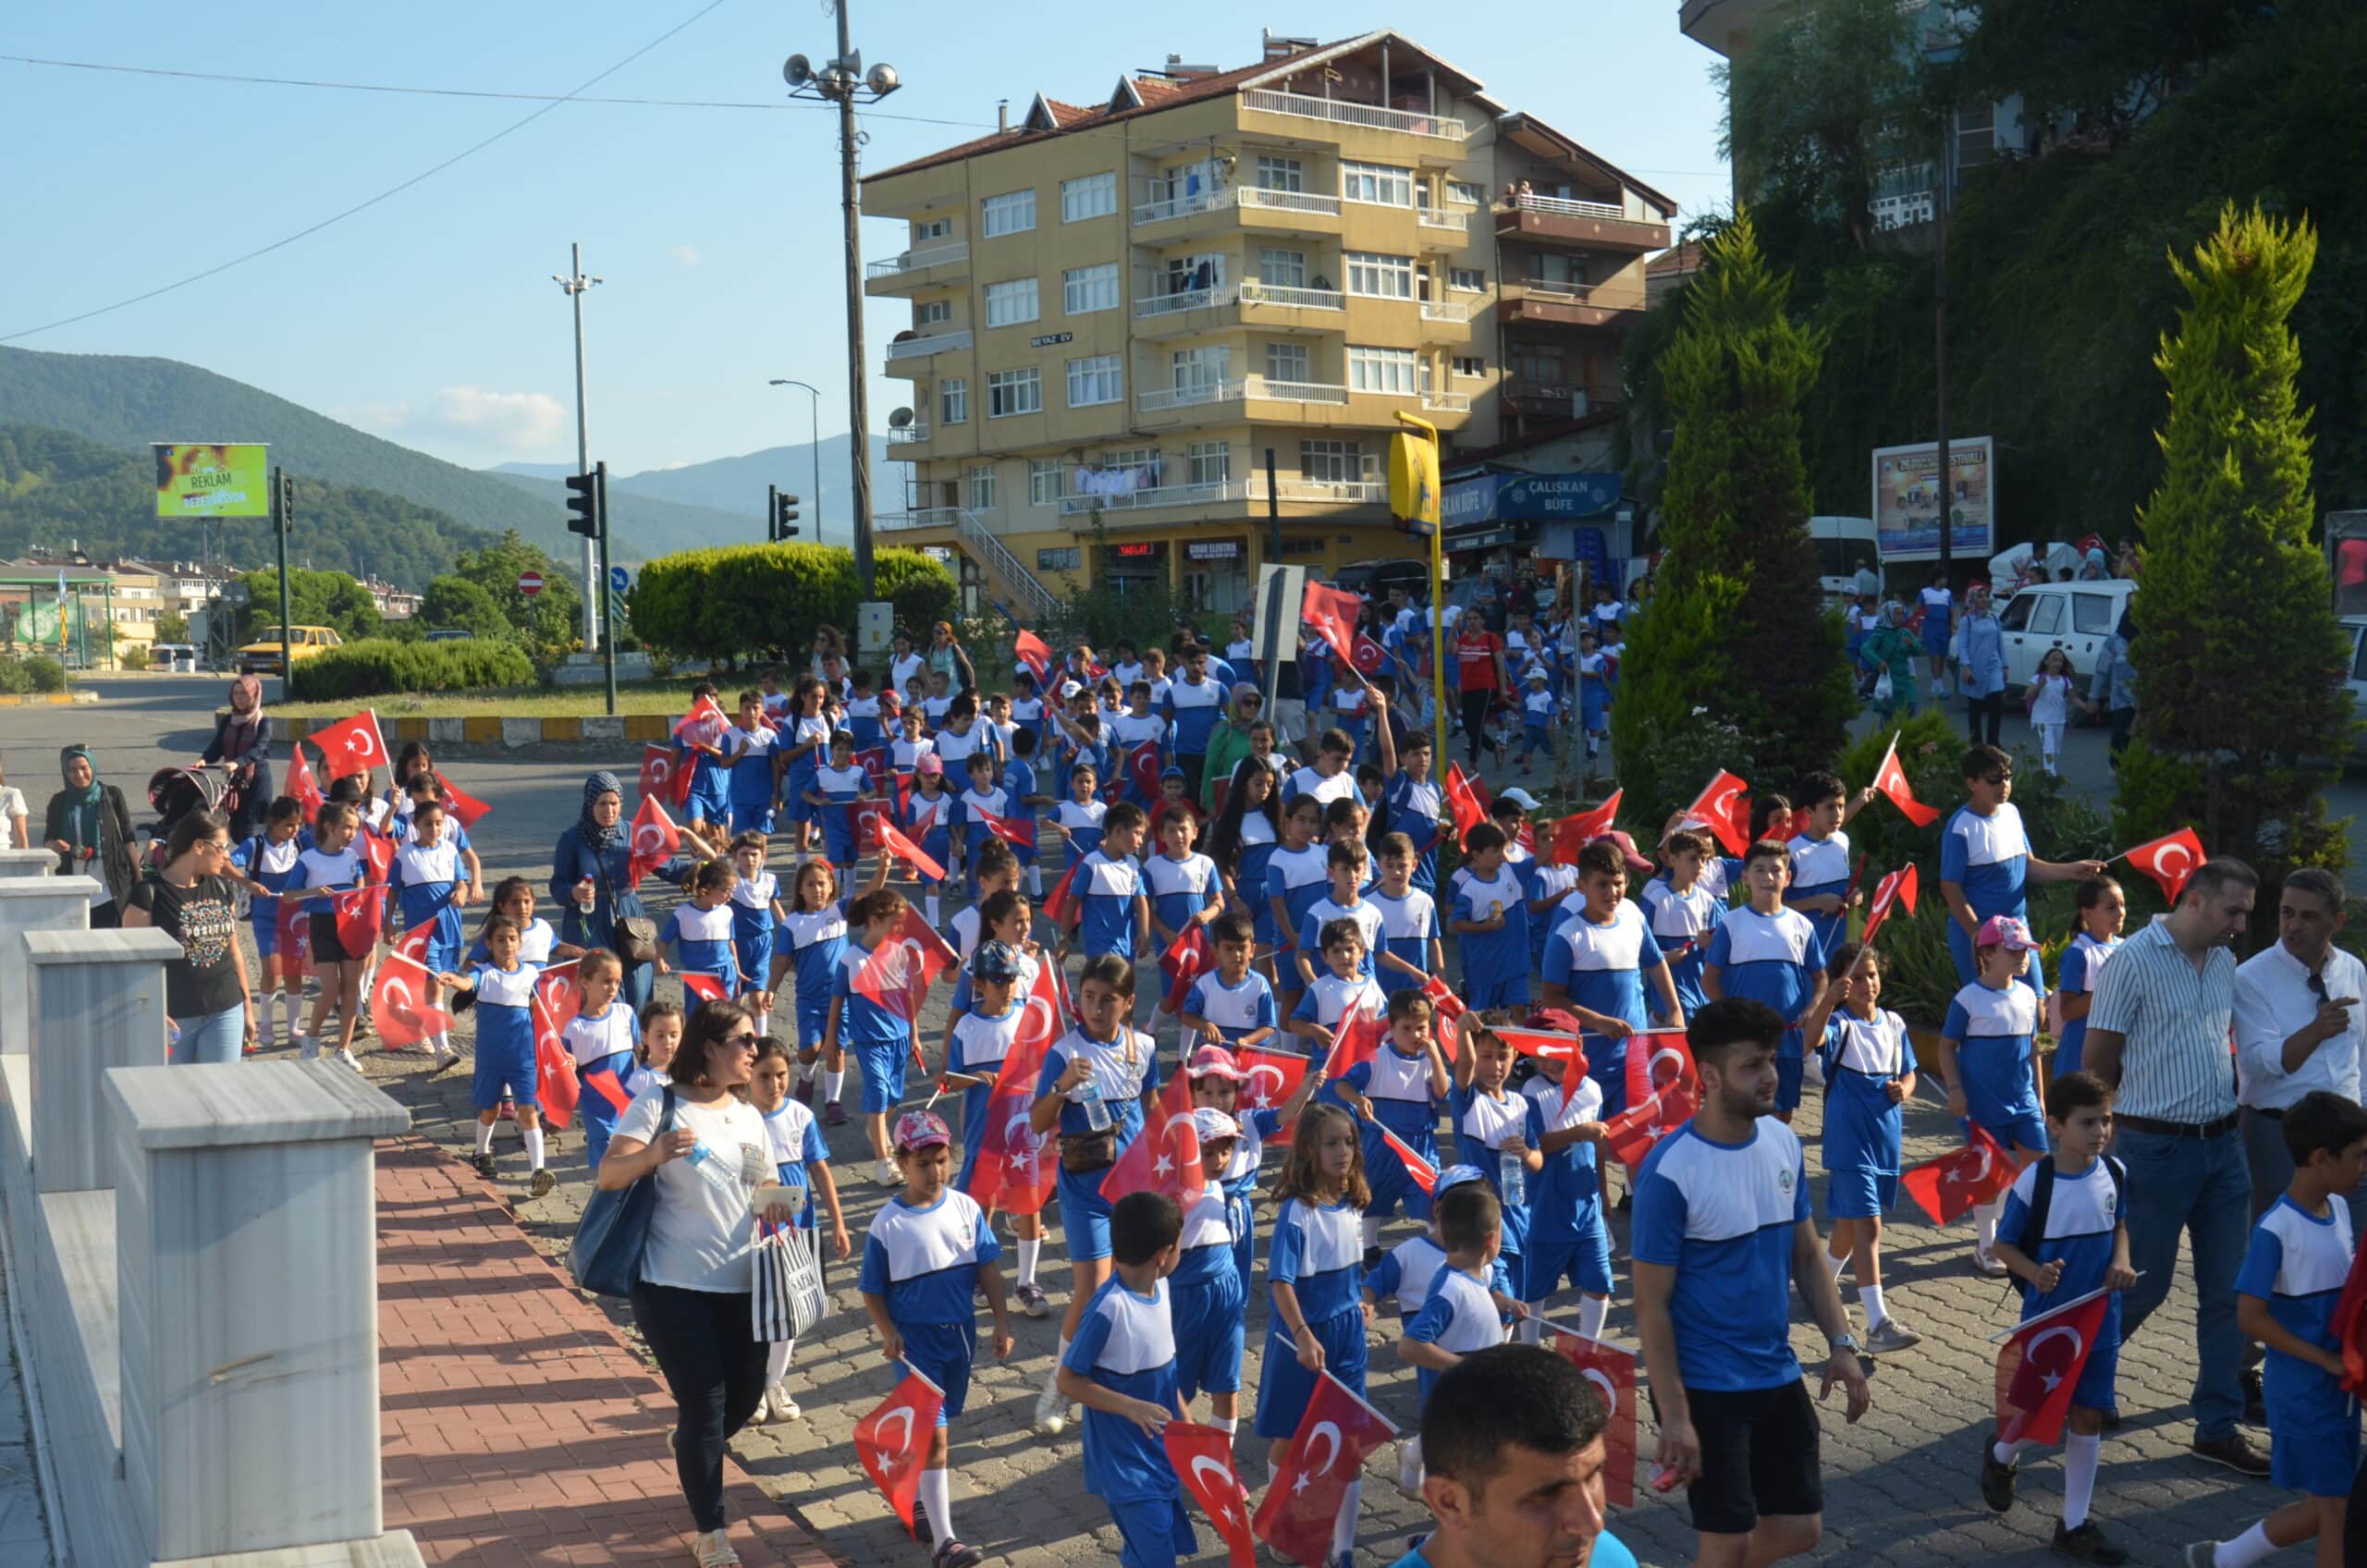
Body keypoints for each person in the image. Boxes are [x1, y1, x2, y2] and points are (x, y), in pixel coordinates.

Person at [1632, 997, 1870, 1568]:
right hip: (1708, 1389)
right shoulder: (1669, 1171)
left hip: (1775, 1372)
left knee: (1801, 1528)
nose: (1770, 1076)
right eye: (1752, 1065)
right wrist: (1677, 1415)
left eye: (1771, 1060)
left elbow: (1808, 1258)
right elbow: (1650, 1307)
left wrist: (1841, 1345)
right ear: (1709, 1076)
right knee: (1727, 1540)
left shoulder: (1782, 1144)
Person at [2082, 857, 2271, 1476]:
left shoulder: (2223, 962)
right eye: (2233, 910)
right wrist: (2091, 1149)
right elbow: (2097, 1063)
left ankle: (2216, 1427)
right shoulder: (2131, 961)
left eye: (2246, 912)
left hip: (2224, 1149)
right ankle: (2080, 1378)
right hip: (2153, 1151)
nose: (2241, 925)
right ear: (2194, 901)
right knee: (2143, 1283)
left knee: (2229, 1296)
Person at [598, 998, 801, 1567]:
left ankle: (692, 1443)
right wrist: (654, 1154)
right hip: (671, 1285)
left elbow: (764, 1186)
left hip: (744, 1284)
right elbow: (608, 1175)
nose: (754, 1052)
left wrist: (784, 1208)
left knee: (742, 1396)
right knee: (706, 1405)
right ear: (710, 1048)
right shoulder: (657, 1103)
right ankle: (712, 1532)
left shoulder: (746, 1114)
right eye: (744, 1042)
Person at [2190, 1091, 2367, 1568]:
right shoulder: (2277, 1229)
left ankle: (2224, 1559)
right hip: (2306, 1396)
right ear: (2320, 1159)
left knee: (2325, 1507)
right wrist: (2325, 1358)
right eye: (2359, 1157)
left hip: (2339, 1391)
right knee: (2336, 1515)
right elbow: (2250, 1318)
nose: (2365, 1167)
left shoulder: (2342, 1210)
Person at [1981, 1071, 2138, 1564]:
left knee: (2087, 1414)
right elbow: (2002, 1245)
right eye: (2087, 1122)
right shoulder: (2037, 1180)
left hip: (2101, 1318)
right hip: (2051, 1319)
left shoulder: (2114, 1172)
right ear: (2055, 1126)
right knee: (2039, 1409)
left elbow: (2119, 1227)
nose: (2099, 1132)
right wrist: (2036, 1272)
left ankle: (2073, 1524)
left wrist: (2121, 1262)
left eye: (2106, 1121)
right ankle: (2002, 1455)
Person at [859, 1109, 1012, 1568]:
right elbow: (871, 1288)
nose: (935, 1171)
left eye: (942, 1160)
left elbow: (988, 1269)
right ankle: (945, 1545)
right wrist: (889, 1332)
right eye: (923, 1163)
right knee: (936, 1438)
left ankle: (918, 1493)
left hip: (959, 1339)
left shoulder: (966, 1208)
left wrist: (1002, 1321)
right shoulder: (888, 1224)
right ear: (902, 1164)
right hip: (914, 1346)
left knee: (934, 1435)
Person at [1390, 1342, 1638, 1568]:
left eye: (1593, 1476)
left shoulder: (1611, 1558)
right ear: (1450, 1503)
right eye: (1547, 1495)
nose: (1592, 1523)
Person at [1056, 1189, 1197, 1568]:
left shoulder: (1162, 1289)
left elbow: (1166, 1372)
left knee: (1150, 1546)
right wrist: (1130, 1407)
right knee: (1158, 1555)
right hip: (1126, 1467)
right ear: (1163, 1255)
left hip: (1160, 1455)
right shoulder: (1108, 1308)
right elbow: (1067, 1380)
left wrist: (1188, 1425)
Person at [1797, 941, 1919, 1354]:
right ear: (1843, 984)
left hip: (1885, 1139)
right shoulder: (1840, 1025)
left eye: (1873, 975)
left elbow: (1910, 1072)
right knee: (1869, 1226)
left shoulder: (1894, 1024)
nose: (1868, 983)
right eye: (1858, 977)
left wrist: (1903, 1088)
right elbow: (1809, 1042)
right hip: (1850, 1141)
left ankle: (1818, 1282)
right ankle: (1877, 1323)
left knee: (1851, 1225)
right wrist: (1827, 1003)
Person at [2234, 867, 2367, 1236]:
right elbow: (2257, 1064)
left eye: (2309, 916)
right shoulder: (2252, 978)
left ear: (2337, 921)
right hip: (2279, 1137)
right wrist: (2315, 1031)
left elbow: (2362, 1053)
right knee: (2279, 1246)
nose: (2293, 925)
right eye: (2286, 912)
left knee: (2351, 1248)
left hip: (2348, 1135)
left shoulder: (2353, 970)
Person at [1939, 744, 2104, 990]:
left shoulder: (2011, 813)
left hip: (2017, 928)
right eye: (1994, 780)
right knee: (1990, 1011)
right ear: (1971, 783)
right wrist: (1976, 933)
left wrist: (2072, 870)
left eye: (2007, 777)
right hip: (1981, 932)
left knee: (2035, 1001)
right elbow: (1950, 887)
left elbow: (2029, 866)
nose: (2003, 785)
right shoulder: (1961, 827)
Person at [123, 808, 254, 1064]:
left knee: (221, 1094)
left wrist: (247, 1008)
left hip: (226, 1009)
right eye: (222, 847)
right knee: (172, 1098)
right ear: (198, 846)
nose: (227, 855)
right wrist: (151, 1009)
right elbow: (132, 964)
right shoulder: (148, 894)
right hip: (173, 1017)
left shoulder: (220, 887)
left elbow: (234, 951)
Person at [551, 773, 658, 1010]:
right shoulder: (572, 838)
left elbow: (666, 865)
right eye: (602, 803)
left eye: (614, 803)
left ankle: (635, 1043)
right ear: (590, 804)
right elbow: (557, 885)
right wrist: (573, 892)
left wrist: (704, 872)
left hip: (629, 917)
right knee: (601, 989)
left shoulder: (634, 832)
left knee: (637, 988)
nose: (608, 810)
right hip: (588, 921)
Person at [43, 744, 137, 925]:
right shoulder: (59, 802)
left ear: (92, 767)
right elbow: (48, 838)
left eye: (84, 768)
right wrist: (53, 845)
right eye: (72, 770)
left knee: (110, 944)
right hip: (73, 886)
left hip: (111, 887)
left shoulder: (112, 795)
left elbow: (128, 838)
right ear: (65, 772)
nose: (79, 774)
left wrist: (138, 881)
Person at [201, 674, 274, 839]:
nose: (239, 698)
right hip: (235, 781)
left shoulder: (264, 722)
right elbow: (218, 745)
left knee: (252, 830)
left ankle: (255, 864)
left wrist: (237, 762)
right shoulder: (228, 720)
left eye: (244, 693)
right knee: (236, 830)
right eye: (236, 693)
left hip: (256, 780)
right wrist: (204, 759)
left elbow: (258, 749)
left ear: (254, 695)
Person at [1453, 617, 1509, 767]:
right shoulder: (1464, 639)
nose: (1472, 621)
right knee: (1467, 723)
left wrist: (1503, 687)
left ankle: (1473, 763)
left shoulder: (1490, 638)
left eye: (1475, 618)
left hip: (1485, 686)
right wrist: (1454, 629)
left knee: (1476, 725)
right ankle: (1495, 748)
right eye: (1469, 618)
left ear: (1483, 620)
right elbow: (1450, 649)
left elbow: (1499, 663)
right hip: (1466, 687)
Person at [1958, 585, 2006, 746]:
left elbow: (2000, 643)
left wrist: (2005, 666)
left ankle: (1993, 741)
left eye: (1986, 596)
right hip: (1975, 666)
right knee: (1975, 706)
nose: (1984, 599)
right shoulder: (1967, 620)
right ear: (1972, 599)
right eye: (1979, 596)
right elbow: (1962, 645)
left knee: (1996, 700)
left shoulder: (1993, 618)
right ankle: (1976, 742)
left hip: (1993, 665)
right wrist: (1966, 666)